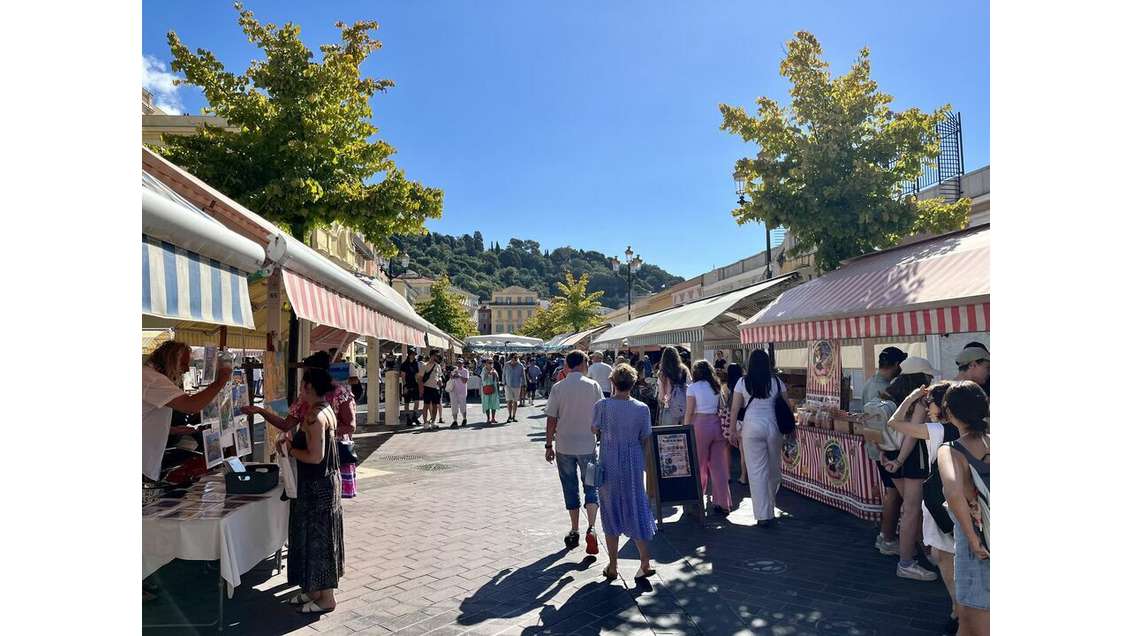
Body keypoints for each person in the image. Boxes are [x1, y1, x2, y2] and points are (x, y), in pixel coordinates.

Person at [886, 383, 962, 634]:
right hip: (965, 499)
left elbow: (894, 423)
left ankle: (959, 611)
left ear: (940, 407)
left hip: (943, 501)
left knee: (945, 557)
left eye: (929, 403)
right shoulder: (973, 427)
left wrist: (911, 397)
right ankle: (963, 609)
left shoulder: (937, 430)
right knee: (953, 555)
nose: (927, 408)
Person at [243, 352, 359, 498]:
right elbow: (286, 424)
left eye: (306, 375)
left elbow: (350, 426)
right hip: (315, 466)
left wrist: (318, 435)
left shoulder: (335, 398)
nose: (302, 382)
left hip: (332, 458)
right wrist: (260, 411)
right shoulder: (308, 400)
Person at [281, 367, 346, 614]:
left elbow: (315, 457)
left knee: (318, 541)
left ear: (309, 387)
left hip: (316, 487)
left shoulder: (314, 417)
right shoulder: (325, 410)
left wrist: (289, 448)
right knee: (316, 539)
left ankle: (326, 597)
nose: (300, 390)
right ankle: (314, 590)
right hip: (326, 484)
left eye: (301, 386)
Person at [593, 364, 656, 586]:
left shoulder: (602, 405)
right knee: (636, 505)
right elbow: (645, 438)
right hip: (633, 460)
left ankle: (613, 564)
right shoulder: (642, 408)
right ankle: (645, 562)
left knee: (611, 508)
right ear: (633, 383)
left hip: (609, 459)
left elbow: (594, 429)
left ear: (612, 383)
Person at [880, 356, 942, 581]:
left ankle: (921, 551)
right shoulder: (919, 401)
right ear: (921, 378)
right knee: (912, 510)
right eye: (929, 375)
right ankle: (907, 562)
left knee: (910, 509)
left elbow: (882, 428)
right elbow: (911, 436)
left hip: (890, 455)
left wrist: (888, 456)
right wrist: (901, 460)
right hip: (911, 459)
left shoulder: (889, 394)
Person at [937, 381, 990, 636]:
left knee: (973, 620)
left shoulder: (952, 450)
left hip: (978, 542)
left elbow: (954, 492)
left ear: (950, 413)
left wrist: (973, 539)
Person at [143, 341, 232, 483]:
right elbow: (191, 405)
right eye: (183, 364)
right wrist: (220, 381)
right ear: (170, 361)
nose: (185, 370)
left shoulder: (148, 376)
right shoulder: (152, 379)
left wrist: (172, 430)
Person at [545, 349, 604, 555]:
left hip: (564, 445)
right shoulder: (594, 386)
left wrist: (548, 445)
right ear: (582, 363)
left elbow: (551, 418)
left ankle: (574, 529)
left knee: (569, 487)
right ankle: (592, 527)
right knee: (591, 486)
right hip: (587, 445)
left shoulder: (558, 387)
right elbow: (600, 415)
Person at [728, 349, 790, 526]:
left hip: (751, 426)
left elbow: (735, 408)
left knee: (756, 471)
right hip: (774, 427)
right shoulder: (777, 382)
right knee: (773, 470)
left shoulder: (742, 382)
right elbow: (787, 405)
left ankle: (764, 514)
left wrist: (732, 430)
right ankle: (769, 508)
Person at [862, 346, 908, 556]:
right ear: (898, 365)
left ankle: (886, 536)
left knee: (894, 493)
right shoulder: (883, 388)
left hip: (879, 447)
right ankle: (887, 538)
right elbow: (881, 424)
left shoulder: (870, 383)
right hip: (886, 448)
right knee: (894, 494)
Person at [684, 360, 732, 515]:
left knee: (699, 465)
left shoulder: (693, 388)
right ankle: (723, 502)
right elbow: (722, 407)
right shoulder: (716, 387)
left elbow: (689, 411)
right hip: (717, 424)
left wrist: (685, 428)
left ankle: (698, 500)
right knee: (719, 467)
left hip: (700, 425)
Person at [722, 363, 748, 486]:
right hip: (746, 417)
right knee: (744, 451)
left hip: (733, 419)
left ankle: (727, 474)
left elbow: (726, 405)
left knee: (727, 447)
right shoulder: (746, 384)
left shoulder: (726, 387)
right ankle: (744, 475)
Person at [657, 346, 690, 426]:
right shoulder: (684, 370)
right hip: (684, 407)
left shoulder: (662, 373)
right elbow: (690, 387)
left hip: (669, 407)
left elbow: (661, 396)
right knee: (683, 435)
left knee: (668, 435)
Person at [419, 349, 444, 430]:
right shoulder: (425, 365)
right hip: (427, 388)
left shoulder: (438, 366)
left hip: (435, 388)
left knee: (435, 406)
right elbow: (420, 378)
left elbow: (439, 375)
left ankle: (433, 422)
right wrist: (421, 389)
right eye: (436, 355)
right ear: (432, 355)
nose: (437, 357)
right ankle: (425, 423)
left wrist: (440, 380)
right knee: (426, 405)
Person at [399, 349, 422, 427]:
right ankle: (408, 418)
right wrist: (405, 386)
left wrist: (419, 385)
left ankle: (414, 417)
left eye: (414, 354)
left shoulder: (415, 363)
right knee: (406, 403)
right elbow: (403, 375)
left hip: (415, 385)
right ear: (409, 355)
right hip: (407, 385)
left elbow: (417, 374)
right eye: (412, 354)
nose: (413, 355)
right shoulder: (404, 364)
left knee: (417, 401)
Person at [502, 353, 525, 423]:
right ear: (511, 358)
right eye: (514, 357)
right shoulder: (506, 365)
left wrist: (524, 385)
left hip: (517, 385)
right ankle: (509, 416)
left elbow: (523, 376)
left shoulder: (520, 365)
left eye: (517, 357)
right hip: (508, 385)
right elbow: (503, 374)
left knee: (515, 401)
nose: (516, 359)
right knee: (509, 401)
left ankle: (514, 416)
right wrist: (504, 383)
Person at [449, 358, 470, 428]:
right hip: (454, 391)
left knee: (463, 406)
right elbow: (451, 379)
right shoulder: (454, 370)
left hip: (462, 392)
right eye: (458, 363)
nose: (459, 364)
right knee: (454, 406)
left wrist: (459, 376)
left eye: (460, 363)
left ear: (463, 364)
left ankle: (464, 419)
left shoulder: (465, 371)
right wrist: (452, 375)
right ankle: (455, 421)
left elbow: (465, 381)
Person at [480, 359, 501, 424]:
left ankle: (493, 418)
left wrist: (495, 374)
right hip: (486, 388)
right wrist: (488, 373)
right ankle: (488, 418)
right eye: (489, 363)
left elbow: (497, 380)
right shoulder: (483, 370)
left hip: (493, 388)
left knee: (493, 403)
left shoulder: (494, 370)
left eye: (492, 362)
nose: (491, 364)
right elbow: (483, 379)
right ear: (486, 363)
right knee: (486, 403)